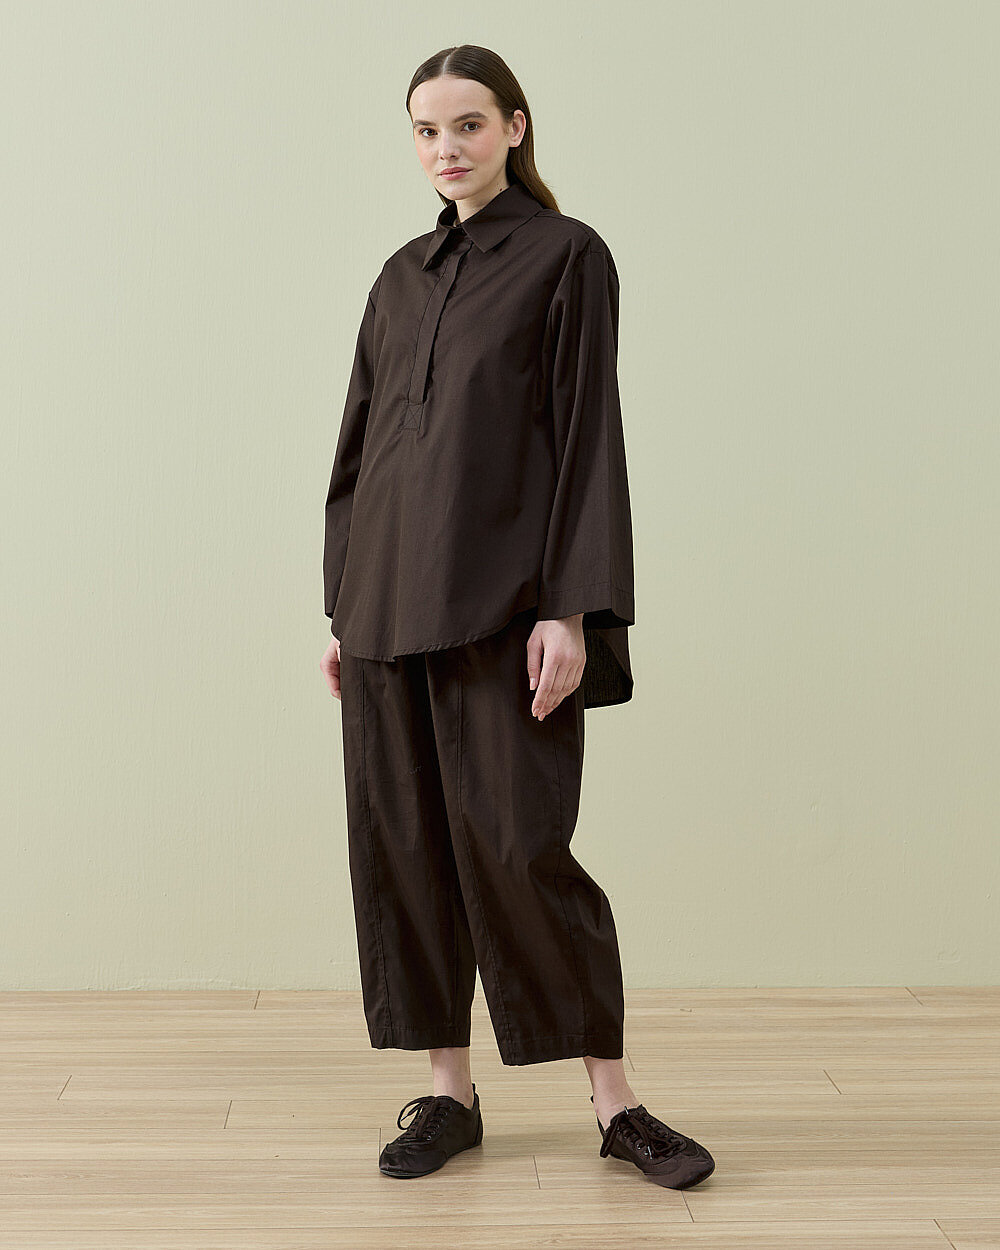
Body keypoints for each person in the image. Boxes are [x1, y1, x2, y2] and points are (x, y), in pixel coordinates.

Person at [319, 44, 715, 1190]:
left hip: (503, 604)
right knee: (404, 847)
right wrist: (340, 604)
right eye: (426, 130)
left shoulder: (565, 255)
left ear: (514, 127)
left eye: (468, 125)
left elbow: (588, 439)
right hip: (383, 603)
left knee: (519, 845)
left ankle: (616, 1103)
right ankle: (449, 1092)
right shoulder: (398, 277)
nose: (446, 148)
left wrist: (569, 608)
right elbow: (357, 450)